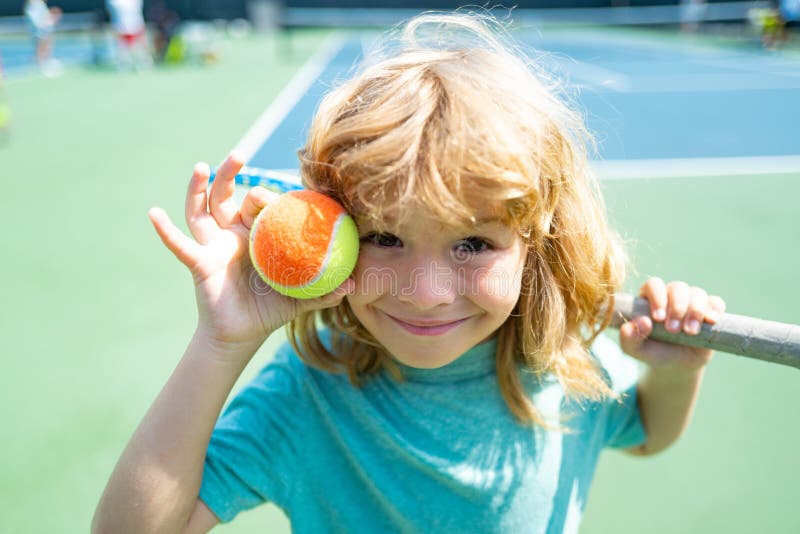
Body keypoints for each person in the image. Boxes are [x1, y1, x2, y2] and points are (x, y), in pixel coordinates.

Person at [92, 12, 726, 533]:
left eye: (474, 244)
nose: (425, 294)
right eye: (385, 237)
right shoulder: (308, 396)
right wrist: (220, 342)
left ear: (537, 243)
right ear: (333, 230)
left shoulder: (563, 362)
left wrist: (674, 376)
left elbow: (643, 431)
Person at [105, 0, 151, 70]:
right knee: (123, 49)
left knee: (139, 48)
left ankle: (143, 65)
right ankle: (125, 66)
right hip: (121, 27)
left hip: (136, 25)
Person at [23, 0, 62, 77]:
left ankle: (45, 63)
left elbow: (45, 17)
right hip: (39, 30)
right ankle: (40, 66)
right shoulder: (34, 4)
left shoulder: (40, 4)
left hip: (44, 29)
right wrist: (41, 26)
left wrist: (49, 22)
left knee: (46, 46)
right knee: (40, 47)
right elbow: (33, 17)